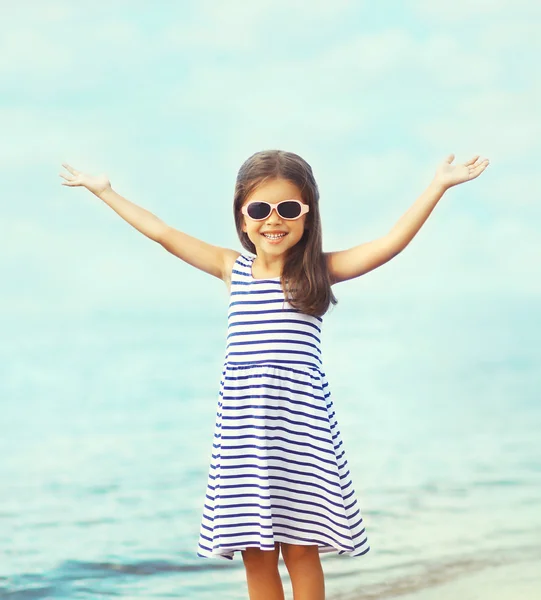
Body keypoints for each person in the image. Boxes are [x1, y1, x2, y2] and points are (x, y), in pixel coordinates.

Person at [60, 149, 489, 600]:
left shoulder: (318, 272)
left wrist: (438, 185)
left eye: (287, 208)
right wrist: (106, 192)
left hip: (303, 435)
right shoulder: (233, 269)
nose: (273, 220)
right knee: (257, 554)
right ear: (242, 218)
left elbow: (389, 244)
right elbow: (163, 233)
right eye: (260, 209)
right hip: (245, 439)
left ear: (307, 215)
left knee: (302, 551)